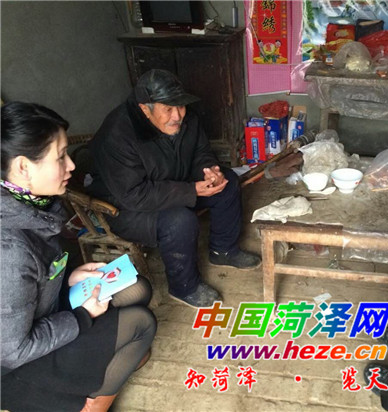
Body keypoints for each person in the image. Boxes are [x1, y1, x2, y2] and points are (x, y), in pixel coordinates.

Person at [1, 102, 157, 412]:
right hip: (17, 368)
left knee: (137, 287)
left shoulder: (30, 203)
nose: (71, 165)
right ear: (23, 167)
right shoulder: (8, 249)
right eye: (60, 156)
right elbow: (13, 350)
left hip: (43, 312)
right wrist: (83, 316)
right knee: (141, 323)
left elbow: (35, 272)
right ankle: (92, 405)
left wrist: (69, 275)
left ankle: (114, 355)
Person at [88, 69, 261, 308]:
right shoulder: (118, 134)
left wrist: (209, 171)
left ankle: (224, 250)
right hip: (125, 207)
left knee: (227, 183)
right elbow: (134, 195)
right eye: (168, 109)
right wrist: (191, 191)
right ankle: (184, 287)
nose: (177, 115)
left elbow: (201, 152)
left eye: (180, 106)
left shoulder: (187, 118)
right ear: (144, 109)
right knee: (179, 220)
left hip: (173, 181)